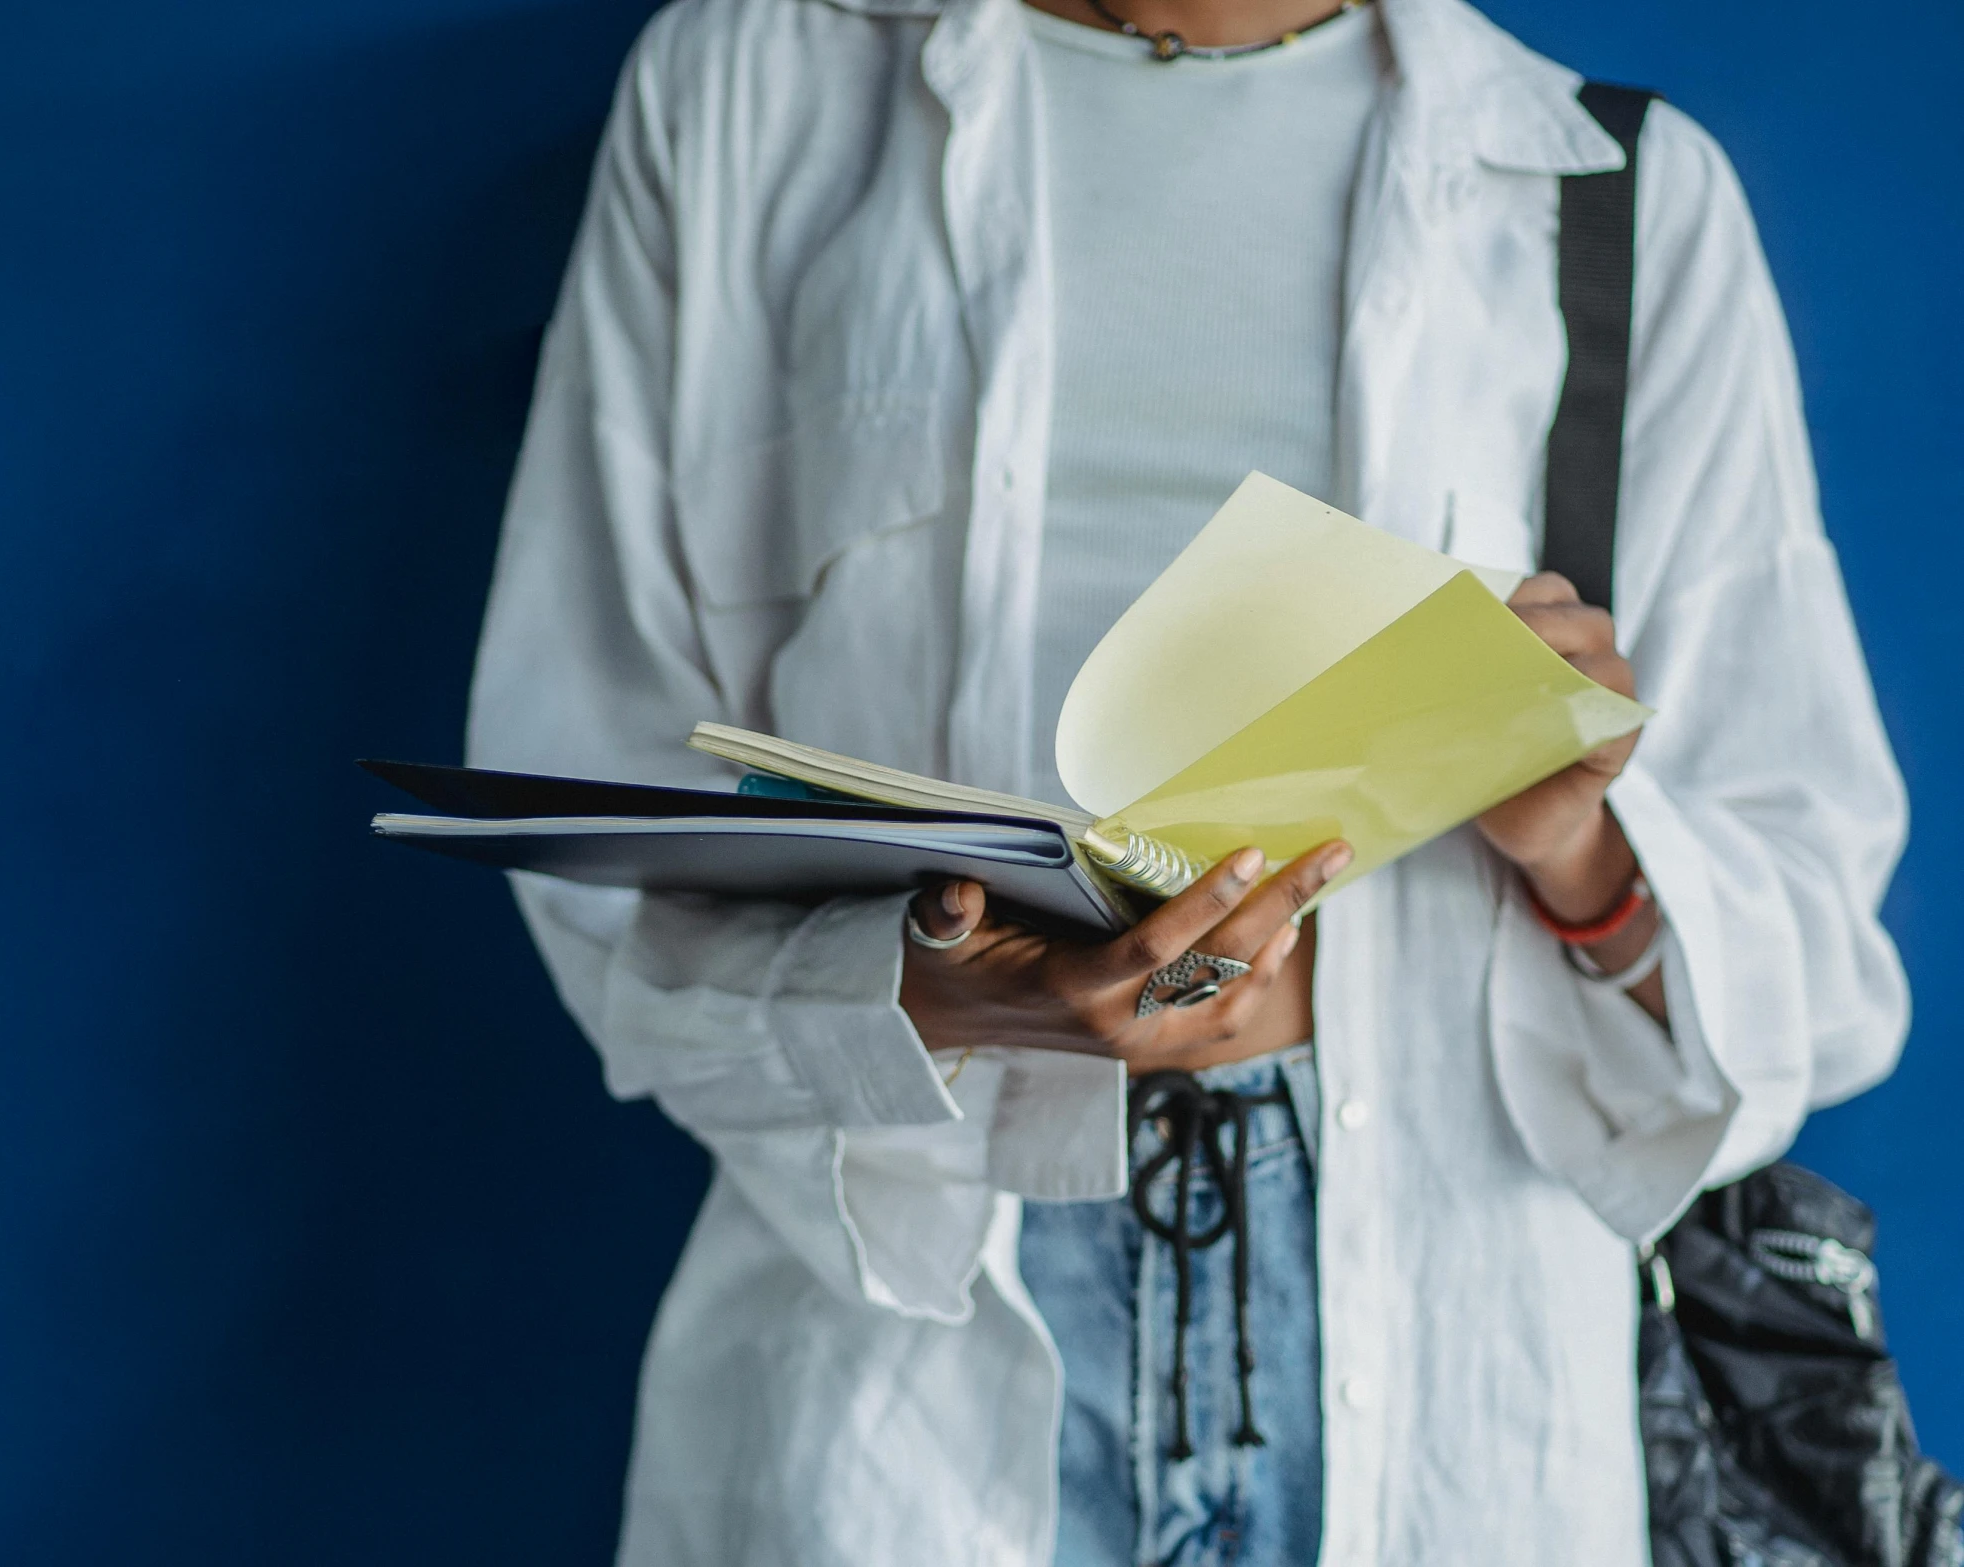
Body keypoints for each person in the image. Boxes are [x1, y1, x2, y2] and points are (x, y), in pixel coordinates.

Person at [464, 0, 1910, 1560]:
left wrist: (1587, 857)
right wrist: (944, 995)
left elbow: (1814, 966)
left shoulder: (1614, 193)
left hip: (1443, 1349)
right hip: (905, 1325)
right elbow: (593, 812)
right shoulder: (748, 93)